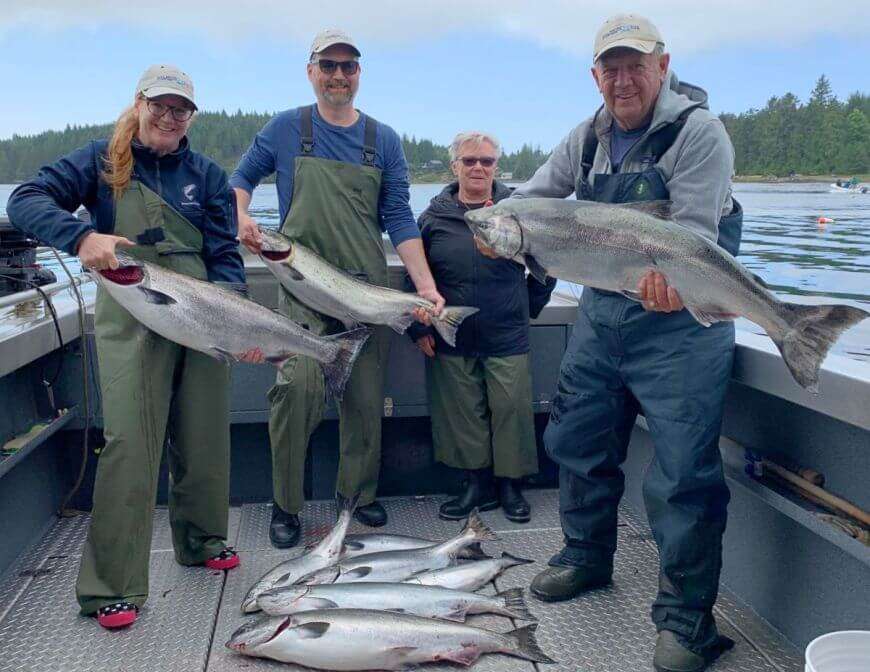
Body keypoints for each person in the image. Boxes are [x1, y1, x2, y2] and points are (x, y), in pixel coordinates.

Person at [499, 14, 743, 672]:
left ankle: (687, 620)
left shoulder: (699, 133)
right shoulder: (585, 139)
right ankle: (585, 556)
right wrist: (495, 221)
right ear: (595, 76)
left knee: (683, 476)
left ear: (663, 67)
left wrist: (674, 282)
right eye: (611, 67)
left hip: (682, 328)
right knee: (576, 439)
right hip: (605, 320)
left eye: (636, 64)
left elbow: (692, 240)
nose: (623, 78)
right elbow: (531, 199)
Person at [7, 64, 249, 629]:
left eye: (180, 109)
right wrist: (82, 236)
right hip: (133, 306)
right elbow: (25, 200)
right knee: (131, 442)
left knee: (204, 431)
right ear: (139, 103)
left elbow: (226, 257)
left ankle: (204, 537)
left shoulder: (208, 175)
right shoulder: (99, 160)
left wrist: (238, 322)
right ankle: (112, 585)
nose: (170, 117)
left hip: (203, 313)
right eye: (160, 105)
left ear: (192, 115)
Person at [231, 29, 445, 547]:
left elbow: (399, 219)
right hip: (302, 297)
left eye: (349, 67)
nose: (338, 75)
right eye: (329, 65)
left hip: (365, 293)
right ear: (311, 71)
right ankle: (286, 505)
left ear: (359, 74)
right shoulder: (287, 129)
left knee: (365, 402)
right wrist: (239, 215)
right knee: (295, 393)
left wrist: (426, 290)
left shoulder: (383, 140)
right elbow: (240, 179)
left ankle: (358, 498)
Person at [408, 132, 555, 523]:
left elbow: (546, 269)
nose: (478, 168)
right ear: (454, 166)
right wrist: (418, 329)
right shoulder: (432, 217)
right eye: (469, 160)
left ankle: (510, 485)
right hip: (450, 333)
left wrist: (527, 310)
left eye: (486, 161)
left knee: (511, 409)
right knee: (460, 413)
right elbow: (415, 273)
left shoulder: (517, 211)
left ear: (496, 166)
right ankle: (474, 485)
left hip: (507, 332)